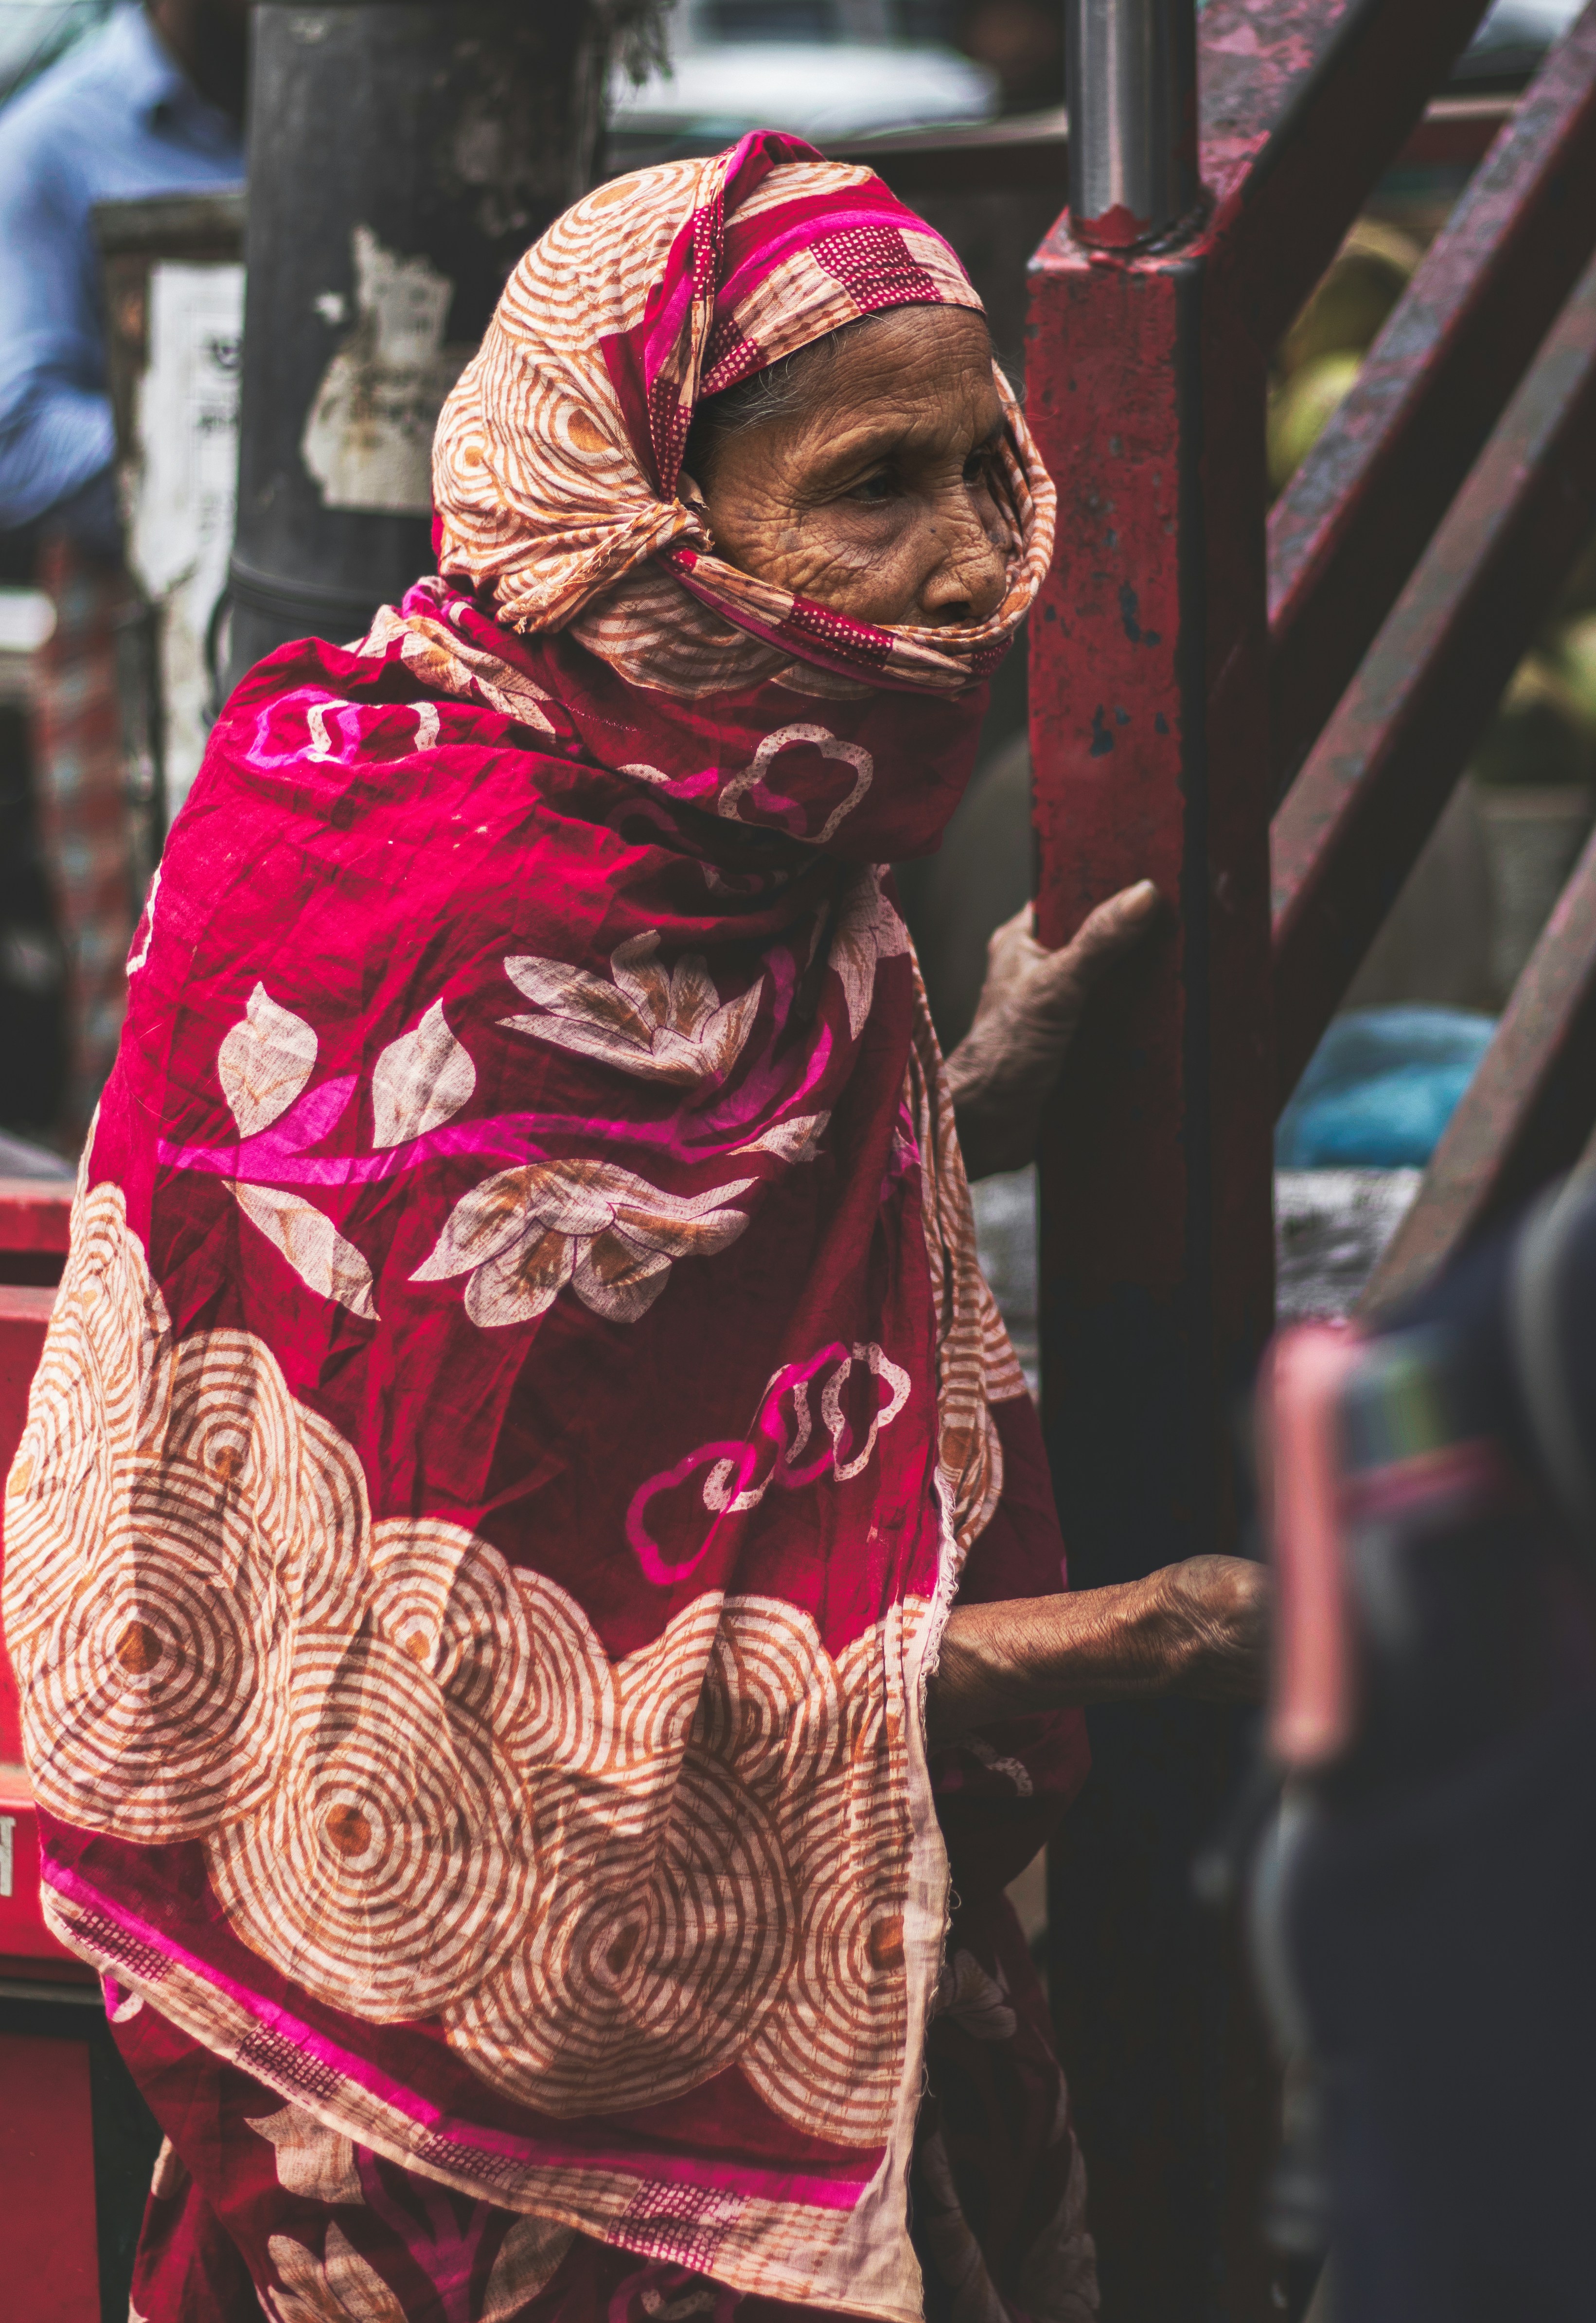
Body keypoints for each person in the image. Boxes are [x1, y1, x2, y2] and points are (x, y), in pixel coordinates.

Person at [4, 136, 1266, 2322]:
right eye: (872, 488)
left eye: (993, 473)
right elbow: (432, 1676)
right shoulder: (377, 886)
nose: (972, 566)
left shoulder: (772, 885)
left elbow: (610, 1315)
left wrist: (967, 1094)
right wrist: (1112, 1638)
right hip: (433, 2112)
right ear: (615, 501)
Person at [0, 0, 246, 1130]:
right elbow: (15, 435)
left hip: (334, 618)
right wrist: (205, 451)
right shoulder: (58, 139)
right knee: (147, 1016)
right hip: (132, 621)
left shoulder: (347, 114)